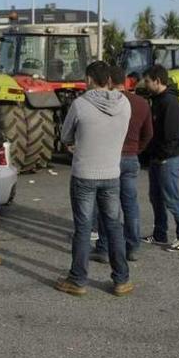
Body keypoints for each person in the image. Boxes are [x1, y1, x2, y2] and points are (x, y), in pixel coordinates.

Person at [55, 61, 133, 298]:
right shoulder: (125, 104)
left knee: (83, 228)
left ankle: (78, 280)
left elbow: (65, 135)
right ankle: (121, 279)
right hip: (111, 173)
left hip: (84, 174)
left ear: (89, 79)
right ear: (109, 80)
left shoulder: (80, 105)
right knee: (113, 226)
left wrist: (76, 144)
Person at [92, 66, 153, 263]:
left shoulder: (105, 103)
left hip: (110, 158)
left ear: (108, 81)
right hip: (131, 158)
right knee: (130, 204)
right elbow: (148, 133)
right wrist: (137, 149)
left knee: (107, 205)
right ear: (126, 81)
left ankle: (103, 247)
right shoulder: (142, 103)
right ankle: (132, 246)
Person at [141, 65, 179, 253]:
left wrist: (162, 156)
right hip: (158, 158)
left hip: (168, 159)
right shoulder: (157, 100)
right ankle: (160, 233)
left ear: (157, 80)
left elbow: (171, 135)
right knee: (156, 197)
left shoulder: (170, 103)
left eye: (147, 81)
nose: (145, 84)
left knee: (172, 199)